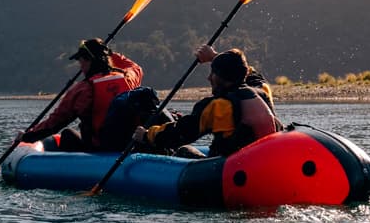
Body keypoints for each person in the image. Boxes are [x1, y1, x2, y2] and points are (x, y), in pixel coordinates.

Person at [132, 45, 283, 158]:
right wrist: (215, 57)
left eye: (213, 73)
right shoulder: (263, 91)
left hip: (230, 170)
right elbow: (251, 75)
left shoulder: (218, 106)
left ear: (221, 76)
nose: (209, 78)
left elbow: (181, 132)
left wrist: (146, 135)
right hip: (266, 161)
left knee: (183, 150)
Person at [19, 38, 142, 152]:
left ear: (89, 60)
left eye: (81, 61)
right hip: (127, 146)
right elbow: (135, 67)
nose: (80, 66)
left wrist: (27, 136)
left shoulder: (83, 89)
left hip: (98, 149)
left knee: (67, 134)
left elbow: (56, 122)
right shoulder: (128, 78)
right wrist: (109, 53)